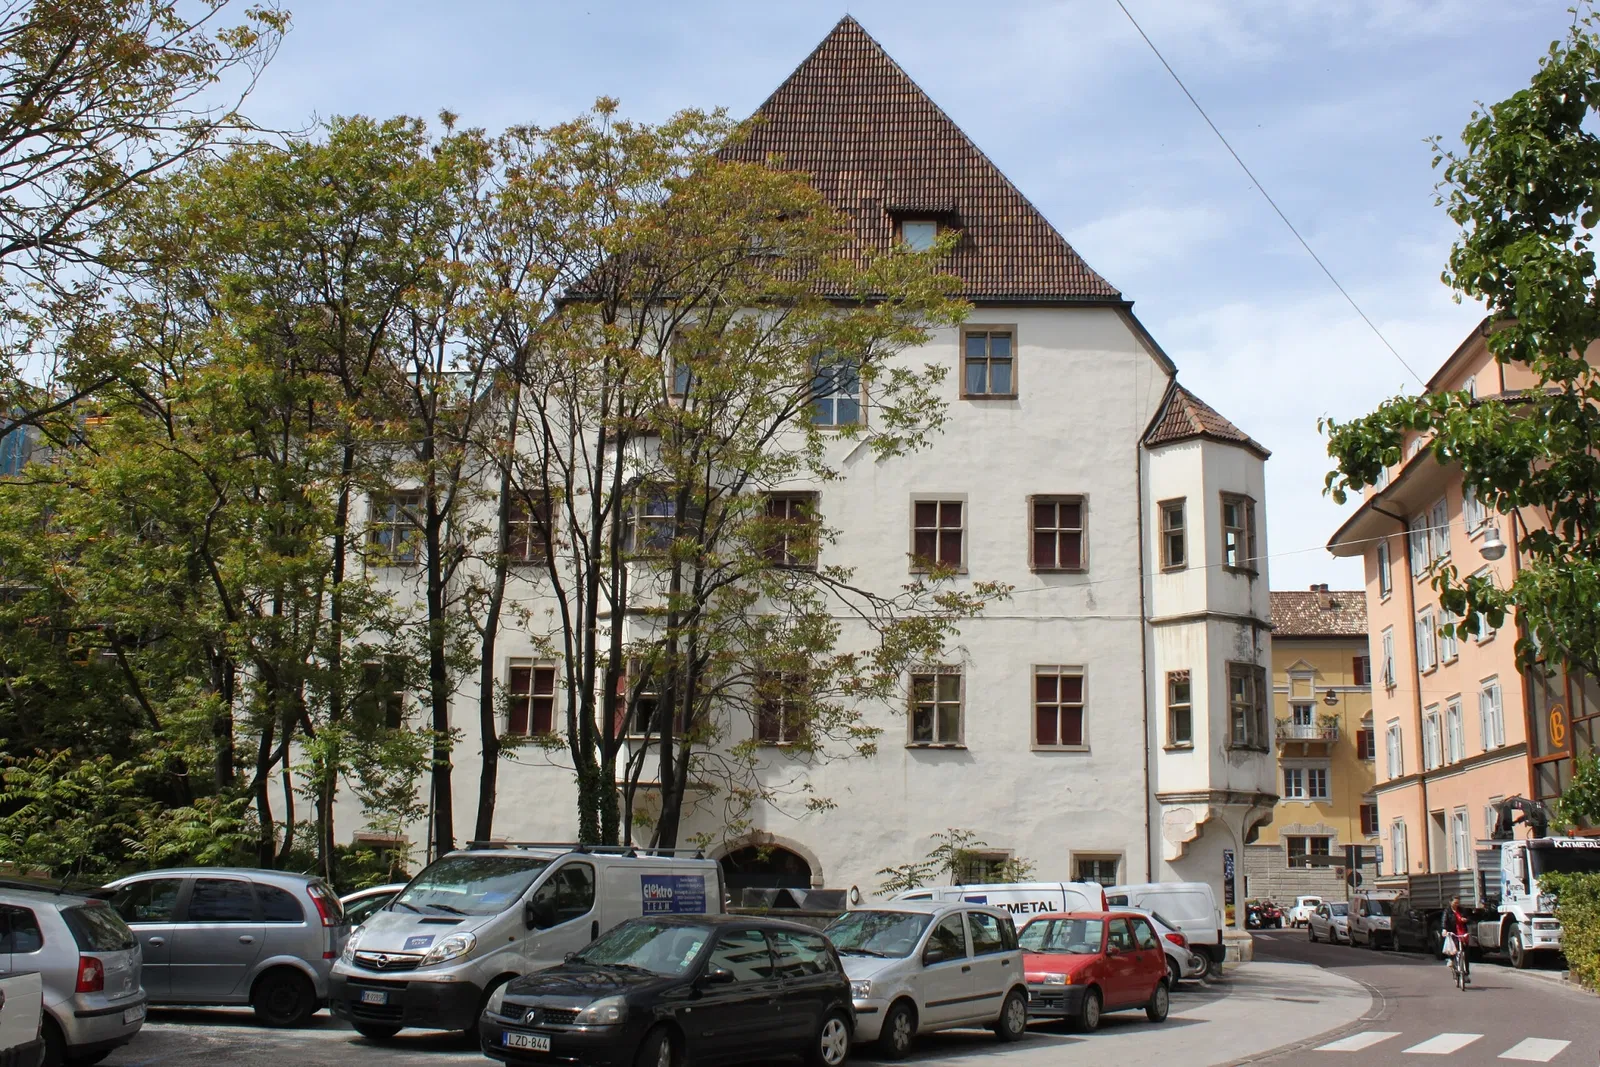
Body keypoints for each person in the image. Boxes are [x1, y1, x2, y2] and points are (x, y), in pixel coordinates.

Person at [1442, 896, 1470, 982]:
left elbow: (1468, 918)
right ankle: (1453, 966)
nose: (1456, 905)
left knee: (1465, 953)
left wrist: (1465, 919)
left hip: (1462, 932)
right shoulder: (1447, 911)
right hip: (1453, 932)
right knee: (1454, 950)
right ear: (1451, 902)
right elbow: (1444, 920)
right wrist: (1444, 929)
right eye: (1455, 903)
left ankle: (1465, 973)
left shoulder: (1462, 910)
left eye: (1458, 903)